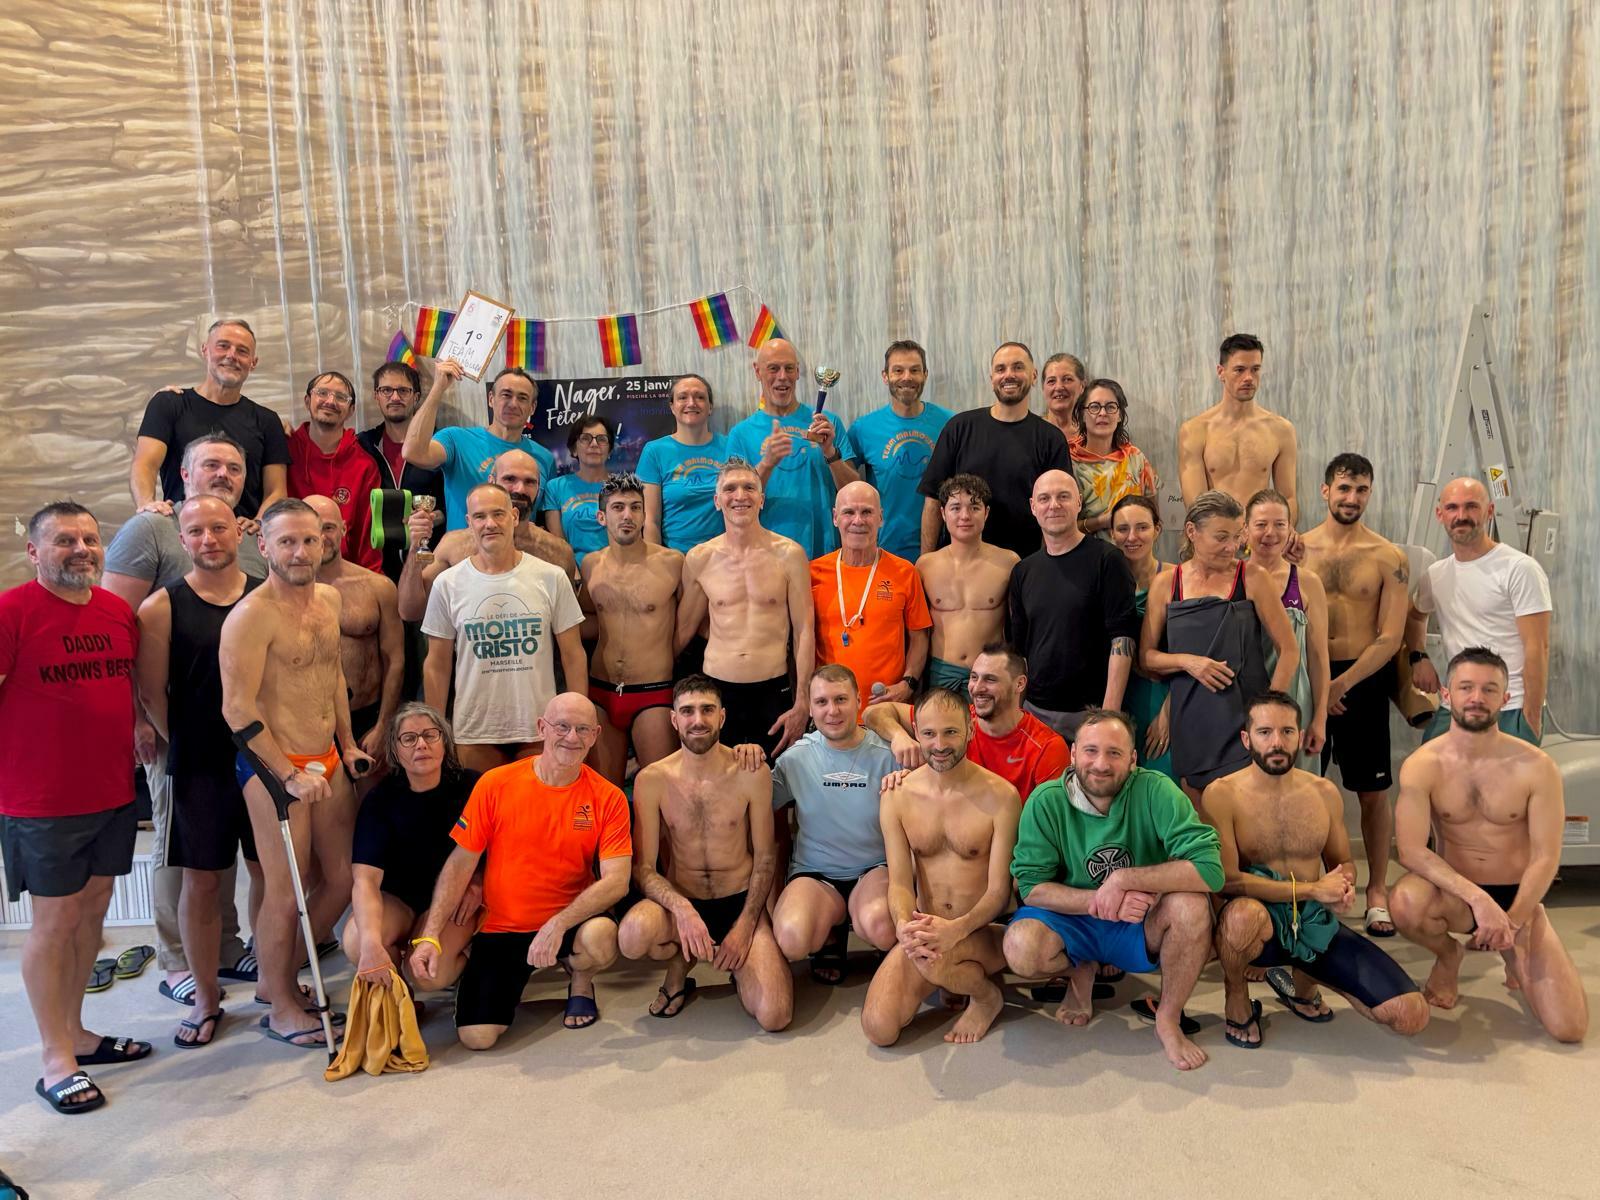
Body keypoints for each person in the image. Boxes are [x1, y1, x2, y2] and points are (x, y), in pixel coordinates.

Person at [103, 432, 265, 1001]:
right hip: (180, 737)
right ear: (184, 473)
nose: (223, 474)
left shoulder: (251, 542)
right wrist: (146, 724)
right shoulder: (149, 529)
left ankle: (226, 949)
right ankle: (179, 964)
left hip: (251, 742)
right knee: (183, 857)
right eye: (210, 464)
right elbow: (118, 633)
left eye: (234, 467)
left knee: (231, 854)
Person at [2, 503, 145, 1114]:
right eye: (64, 540)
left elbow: (127, 687)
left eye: (89, 538)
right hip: (41, 801)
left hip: (112, 792)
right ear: (34, 552)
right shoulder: (12, 612)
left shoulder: (116, 612)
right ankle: (55, 1058)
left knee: (91, 915)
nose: (81, 549)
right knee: (54, 923)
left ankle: (79, 1033)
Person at [220, 498, 374, 1048]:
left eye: (310, 540)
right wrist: (288, 774)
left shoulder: (329, 599)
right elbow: (237, 709)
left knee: (342, 878)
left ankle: (274, 977)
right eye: (286, 541)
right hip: (273, 768)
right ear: (263, 546)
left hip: (326, 760)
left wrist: (347, 745)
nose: (300, 552)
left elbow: (331, 677)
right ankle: (281, 1005)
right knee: (284, 893)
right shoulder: (250, 616)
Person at [1202, 692, 1428, 1048]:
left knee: (1410, 1014)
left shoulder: (1323, 792)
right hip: (1257, 924)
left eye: (1287, 731)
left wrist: (1343, 886)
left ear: (1300, 735)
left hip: (1313, 922)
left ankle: (1302, 985)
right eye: (1264, 732)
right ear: (1246, 738)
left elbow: (1344, 863)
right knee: (1242, 918)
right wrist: (1311, 889)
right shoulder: (1221, 794)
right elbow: (1226, 882)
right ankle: (1237, 995)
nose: (1277, 742)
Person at [1004, 710, 1222, 1070]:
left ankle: (1168, 1018)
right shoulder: (1045, 801)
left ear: (1133, 759)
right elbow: (1031, 888)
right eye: (1090, 751)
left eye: (1114, 753)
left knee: (1192, 906)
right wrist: (1100, 901)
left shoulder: (1156, 790)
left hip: (1137, 921)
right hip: (1072, 920)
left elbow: (1210, 871)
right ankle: (1079, 971)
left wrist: (1124, 881)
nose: (1101, 764)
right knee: (1019, 947)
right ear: (1073, 754)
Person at [409, 693, 631, 1046]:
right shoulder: (495, 783)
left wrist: (558, 924)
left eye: (582, 729)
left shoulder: (608, 797)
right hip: (502, 927)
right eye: (562, 726)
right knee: (477, 1038)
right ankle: (481, 971)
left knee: (601, 938)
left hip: (567, 923)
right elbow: (461, 862)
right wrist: (431, 934)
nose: (571, 737)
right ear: (542, 728)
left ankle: (580, 981)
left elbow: (617, 881)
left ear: (595, 735)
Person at [1388, 648, 1586, 1042]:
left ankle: (1515, 946)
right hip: (1458, 897)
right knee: (1405, 902)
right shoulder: (1423, 765)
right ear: (1447, 695)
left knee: (1569, 1029)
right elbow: (1411, 851)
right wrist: (1478, 900)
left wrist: (1512, 919)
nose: (1476, 698)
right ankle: (1449, 955)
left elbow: (1546, 856)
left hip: (1518, 899)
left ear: (1505, 699)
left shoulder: (1536, 767)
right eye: (1466, 687)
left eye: (1489, 689)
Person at [134, 496, 264, 1048]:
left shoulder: (265, 595)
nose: (208, 539)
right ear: (182, 539)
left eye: (218, 527)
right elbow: (152, 693)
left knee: (269, 875)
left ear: (239, 532)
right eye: (196, 531)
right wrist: (191, 743)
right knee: (202, 882)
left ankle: (272, 984)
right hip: (199, 764)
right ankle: (206, 998)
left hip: (263, 758)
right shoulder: (160, 607)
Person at [617, 677, 791, 1028]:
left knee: (775, 1015)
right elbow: (644, 868)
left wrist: (745, 925)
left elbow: (765, 857)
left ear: (722, 717)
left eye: (707, 710)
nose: (698, 720)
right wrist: (683, 911)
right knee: (632, 936)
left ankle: (738, 963)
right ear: (674, 719)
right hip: (684, 901)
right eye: (687, 711)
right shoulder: (652, 779)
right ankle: (681, 963)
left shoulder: (750, 772)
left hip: (740, 901)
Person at [861, 690, 1020, 1047]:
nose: (939, 745)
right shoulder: (896, 795)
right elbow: (900, 884)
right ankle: (950, 975)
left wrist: (955, 930)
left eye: (950, 732)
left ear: (970, 730)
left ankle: (985, 996)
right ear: (916, 732)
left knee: (933, 960)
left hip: (983, 931)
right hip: (926, 931)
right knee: (878, 1028)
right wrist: (904, 926)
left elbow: (999, 893)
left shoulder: (1002, 796)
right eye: (929, 733)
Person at [1301, 453, 1409, 935]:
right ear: (1325, 490)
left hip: (1361, 679)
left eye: (1361, 489)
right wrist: (1318, 686)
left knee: (1372, 791)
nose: (1352, 498)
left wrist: (1340, 685)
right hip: (1308, 677)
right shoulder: (1298, 549)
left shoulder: (1389, 557)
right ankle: (1314, 887)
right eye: (1344, 488)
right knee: (1305, 789)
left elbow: (1390, 637)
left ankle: (1377, 890)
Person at [1140, 491, 1300, 799]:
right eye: (1221, 537)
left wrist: (1267, 714)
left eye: (1237, 536)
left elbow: (1289, 651)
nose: (1232, 547)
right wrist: (1189, 662)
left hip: (1244, 716)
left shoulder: (1252, 577)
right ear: (1192, 532)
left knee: (1249, 810)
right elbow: (1147, 657)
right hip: (1192, 717)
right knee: (1200, 813)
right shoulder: (1167, 583)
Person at [421, 483, 587, 773]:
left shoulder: (551, 577)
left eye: (498, 514)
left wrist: (579, 720)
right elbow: (437, 663)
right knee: (481, 803)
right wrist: (435, 729)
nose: (490, 524)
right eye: (480, 516)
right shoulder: (448, 584)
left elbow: (573, 655)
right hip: (475, 729)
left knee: (538, 803)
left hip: (539, 727)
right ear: (469, 522)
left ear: (514, 516)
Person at [676, 460, 814, 760]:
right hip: (716, 691)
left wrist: (803, 701)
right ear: (717, 501)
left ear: (761, 499)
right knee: (718, 782)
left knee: (774, 782)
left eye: (749, 487)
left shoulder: (790, 555)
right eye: (730, 489)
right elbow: (683, 632)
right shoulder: (700, 558)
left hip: (772, 690)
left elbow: (804, 630)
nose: (740, 496)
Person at [770, 666, 900, 983]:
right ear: (810, 709)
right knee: (791, 940)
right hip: (815, 873)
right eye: (822, 702)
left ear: (858, 701)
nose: (832, 711)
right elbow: (755, 808)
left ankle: (861, 922)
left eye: (841, 699)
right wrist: (742, 760)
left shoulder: (887, 755)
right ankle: (832, 927)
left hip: (873, 869)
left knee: (883, 928)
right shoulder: (794, 759)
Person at [341, 703, 481, 993]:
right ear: (395, 750)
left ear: (445, 741)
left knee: (429, 976)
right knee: (357, 940)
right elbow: (365, 880)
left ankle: (474, 957)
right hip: (400, 901)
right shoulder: (379, 800)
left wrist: (480, 881)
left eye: (430, 735)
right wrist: (371, 944)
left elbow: (505, 849)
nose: (421, 744)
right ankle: (401, 998)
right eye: (409, 738)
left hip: (454, 899)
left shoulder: (473, 786)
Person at [1409, 477, 1551, 745]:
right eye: (1452, 507)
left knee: (1505, 775)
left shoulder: (1519, 569)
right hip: (1456, 704)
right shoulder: (1436, 575)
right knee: (1426, 764)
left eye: (1471, 506)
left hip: (1508, 705)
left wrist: (1531, 717)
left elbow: (1538, 647)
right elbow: (1415, 616)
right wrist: (1418, 657)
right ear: (1440, 514)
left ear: (1489, 511)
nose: (1461, 515)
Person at [1008, 470, 1140, 740]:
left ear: (1079, 502)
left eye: (1063, 496)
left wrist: (1109, 715)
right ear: (1033, 507)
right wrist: (1017, 710)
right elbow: (1020, 651)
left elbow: (1123, 639)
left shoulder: (1108, 560)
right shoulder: (1023, 571)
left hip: (1090, 713)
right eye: (1044, 498)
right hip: (1035, 711)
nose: (1054, 505)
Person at [918, 341, 1074, 559]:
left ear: (1033, 375)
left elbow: (1058, 511)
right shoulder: (959, 428)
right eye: (1001, 369)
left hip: (1024, 564)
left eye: (1018, 367)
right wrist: (925, 563)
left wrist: (1047, 568)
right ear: (992, 378)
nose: (1009, 375)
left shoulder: (1051, 439)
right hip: (959, 566)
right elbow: (933, 500)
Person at [865, 643, 1069, 805]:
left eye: (990, 679)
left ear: (1020, 684)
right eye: (973, 677)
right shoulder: (954, 719)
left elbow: (1050, 824)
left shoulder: (1047, 747)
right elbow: (873, 712)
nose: (977, 688)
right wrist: (898, 736)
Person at [131, 317, 288, 524]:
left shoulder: (267, 420)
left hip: (242, 535)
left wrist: (259, 524)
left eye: (242, 351)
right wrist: (147, 505)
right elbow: (145, 464)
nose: (231, 355)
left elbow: (276, 490)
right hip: (181, 530)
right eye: (223, 346)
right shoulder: (168, 404)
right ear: (205, 350)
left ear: (253, 362)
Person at [582, 474, 684, 783]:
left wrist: (665, 651)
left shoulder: (672, 563)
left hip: (652, 691)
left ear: (644, 514)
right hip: (601, 690)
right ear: (602, 517)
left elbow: (690, 623)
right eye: (618, 507)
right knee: (603, 791)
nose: (627, 515)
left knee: (660, 792)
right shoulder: (590, 565)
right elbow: (586, 619)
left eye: (635, 507)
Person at [397, 448, 578, 622]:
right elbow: (410, 611)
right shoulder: (454, 546)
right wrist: (415, 548)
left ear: (539, 488)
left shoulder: (557, 552)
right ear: (491, 481)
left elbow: (565, 625)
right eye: (510, 479)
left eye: (530, 482)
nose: (520, 489)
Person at [727, 338, 855, 557]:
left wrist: (830, 453)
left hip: (825, 554)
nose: (782, 376)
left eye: (788, 368)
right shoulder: (740, 434)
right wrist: (767, 464)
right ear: (757, 372)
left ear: (797, 372)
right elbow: (734, 504)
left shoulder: (828, 423)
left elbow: (855, 492)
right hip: (764, 556)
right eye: (773, 368)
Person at [304, 496, 404, 771]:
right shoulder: (283, 593)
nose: (320, 537)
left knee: (370, 796)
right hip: (307, 724)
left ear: (344, 528)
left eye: (328, 527)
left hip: (367, 720)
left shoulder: (378, 587)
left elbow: (395, 660)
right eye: (311, 529)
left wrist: (384, 725)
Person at [811, 482, 932, 707]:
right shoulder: (813, 573)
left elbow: (919, 638)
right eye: (849, 512)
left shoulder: (905, 572)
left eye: (867, 512)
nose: (858, 521)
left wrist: (907, 684)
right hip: (830, 710)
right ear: (835, 517)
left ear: (881, 517)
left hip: (886, 707)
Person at [400, 359, 555, 531]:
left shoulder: (545, 459)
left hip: (518, 549)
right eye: (506, 395)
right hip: (462, 547)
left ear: (532, 407)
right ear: (491, 399)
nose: (513, 404)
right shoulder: (456, 440)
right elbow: (413, 452)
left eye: (522, 398)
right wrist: (438, 388)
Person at [1177, 333, 1299, 540]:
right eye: (1240, 370)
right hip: (1214, 540)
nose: (1249, 377)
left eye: (1255, 369)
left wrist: (1282, 532)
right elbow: (1196, 503)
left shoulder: (1280, 429)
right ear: (1221, 372)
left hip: (1261, 539)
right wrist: (1231, 535)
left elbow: (1288, 497)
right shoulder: (1196, 430)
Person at [843, 340, 952, 562]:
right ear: (885, 376)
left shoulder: (949, 423)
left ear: (925, 375)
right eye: (898, 370)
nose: (907, 377)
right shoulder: (863, 428)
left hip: (940, 553)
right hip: (881, 553)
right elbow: (845, 487)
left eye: (915, 370)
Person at [1244, 488, 1329, 769]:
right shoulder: (1233, 579)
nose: (1270, 533)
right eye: (1261, 524)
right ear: (1245, 529)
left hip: (1295, 702)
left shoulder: (1307, 582)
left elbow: (1318, 657)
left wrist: (1320, 718)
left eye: (1279, 524)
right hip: (1242, 702)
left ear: (1290, 528)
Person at [915, 474, 1019, 700]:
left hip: (991, 672)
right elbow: (918, 634)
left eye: (974, 507)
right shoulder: (925, 566)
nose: (965, 516)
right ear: (943, 513)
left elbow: (1019, 629)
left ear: (986, 513)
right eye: (955, 508)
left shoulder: (1009, 562)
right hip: (940, 672)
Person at [354, 359, 446, 582]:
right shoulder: (361, 444)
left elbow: (452, 504)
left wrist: (431, 518)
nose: (395, 397)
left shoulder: (441, 445)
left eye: (403, 391)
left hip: (430, 565)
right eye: (386, 390)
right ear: (376, 396)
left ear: (416, 397)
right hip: (375, 567)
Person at [286, 370, 383, 571]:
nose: (330, 401)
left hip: (341, 572)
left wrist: (371, 578)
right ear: (307, 400)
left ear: (351, 410)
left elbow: (367, 535)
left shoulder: (364, 465)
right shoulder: (284, 451)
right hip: (289, 567)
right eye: (322, 393)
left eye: (341, 397)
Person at [1110, 496, 1176, 782]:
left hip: (1163, 695)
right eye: (1123, 529)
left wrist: (1169, 712)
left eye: (1142, 527)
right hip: (1115, 692)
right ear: (1111, 533)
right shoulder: (1104, 579)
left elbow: (1197, 648)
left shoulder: (1178, 578)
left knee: (1161, 778)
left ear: (1157, 529)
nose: (1132, 537)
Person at [638, 373, 728, 552]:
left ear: (710, 407)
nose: (691, 403)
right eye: (682, 397)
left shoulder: (730, 446)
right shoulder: (654, 451)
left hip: (724, 557)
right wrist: (658, 561)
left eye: (699, 397)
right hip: (676, 558)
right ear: (672, 406)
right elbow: (650, 521)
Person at [1070, 378, 1161, 538]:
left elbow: (1154, 519)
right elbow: (1062, 528)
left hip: (1133, 550)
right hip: (1089, 552)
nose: (1103, 413)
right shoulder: (1069, 461)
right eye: (1094, 407)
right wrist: (1102, 521)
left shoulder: (1136, 458)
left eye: (1110, 407)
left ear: (1119, 415)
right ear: (1083, 415)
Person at [541, 415, 615, 566]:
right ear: (574, 449)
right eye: (585, 438)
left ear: (610, 450)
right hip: (570, 571)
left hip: (614, 571)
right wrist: (574, 573)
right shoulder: (555, 487)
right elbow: (558, 543)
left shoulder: (622, 488)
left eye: (601, 439)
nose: (594, 444)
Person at [1040, 352, 1088, 444]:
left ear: (1082, 386)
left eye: (1067, 379)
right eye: (1051, 381)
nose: (1059, 387)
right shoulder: (1031, 432)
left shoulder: (1091, 435)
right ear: (1043, 387)